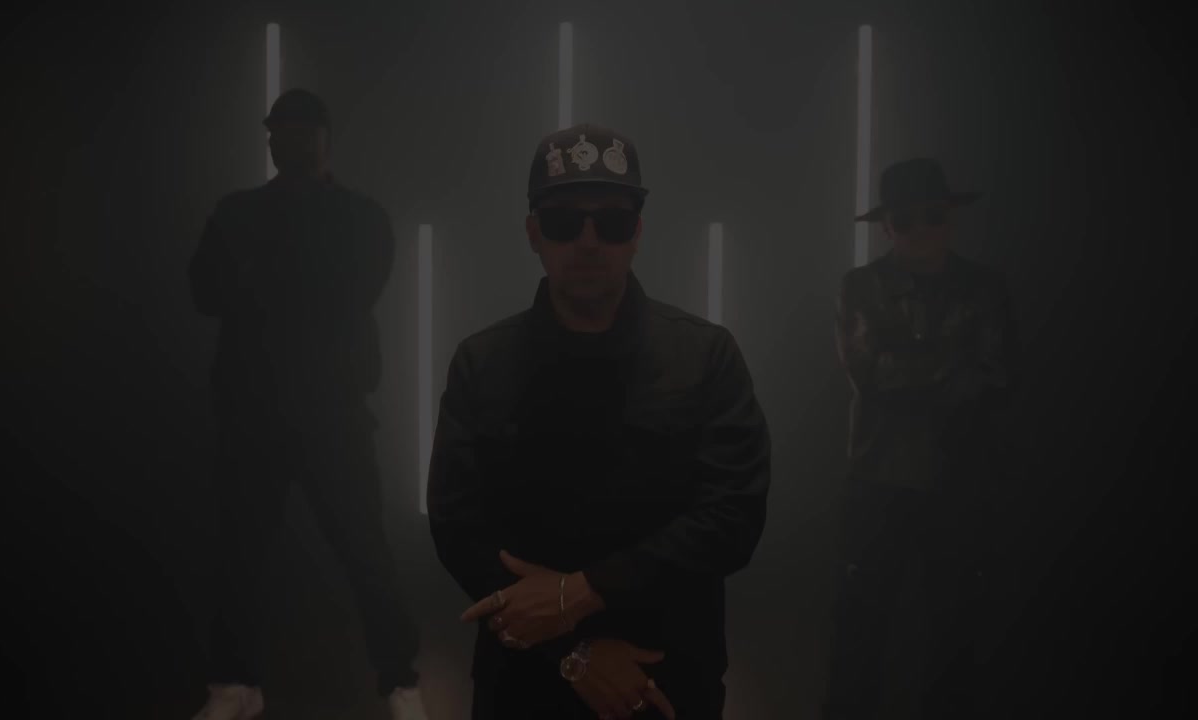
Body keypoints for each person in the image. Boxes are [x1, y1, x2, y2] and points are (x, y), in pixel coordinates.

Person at [426, 123, 772, 719]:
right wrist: (575, 652)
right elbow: (459, 526)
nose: (588, 241)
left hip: (663, 681)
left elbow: (733, 515)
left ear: (636, 233)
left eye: (611, 222)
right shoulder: (482, 363)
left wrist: (581, 593)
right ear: (533, 234)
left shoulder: (704, 356)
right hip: (524, 683)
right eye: (564, 222)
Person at [187, 88, 427, 720]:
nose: (285, 139)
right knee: (240, 558)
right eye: (278, 130)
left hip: (331, 412)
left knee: (365, 554)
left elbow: (351, 291)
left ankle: (399, 681)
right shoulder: (244, 212)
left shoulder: (357, 217)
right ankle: (234, 684)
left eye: (298, 129)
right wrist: (294, 286)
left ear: (324, 138)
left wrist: (260, 283)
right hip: (258, 413)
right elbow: (203, 290)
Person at [823, 158, 1016, 718]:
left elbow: (998, 375)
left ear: (950, 217)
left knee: (955, 625)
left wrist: (917, 370)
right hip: (878, 478)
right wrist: (954, 368)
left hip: (960, 478)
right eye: (907, 220)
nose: (922, 229)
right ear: (887, 227)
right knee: (860, 622)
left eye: (933, 215)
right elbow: (872, 374)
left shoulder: (986, 287)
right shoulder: (860, 286)